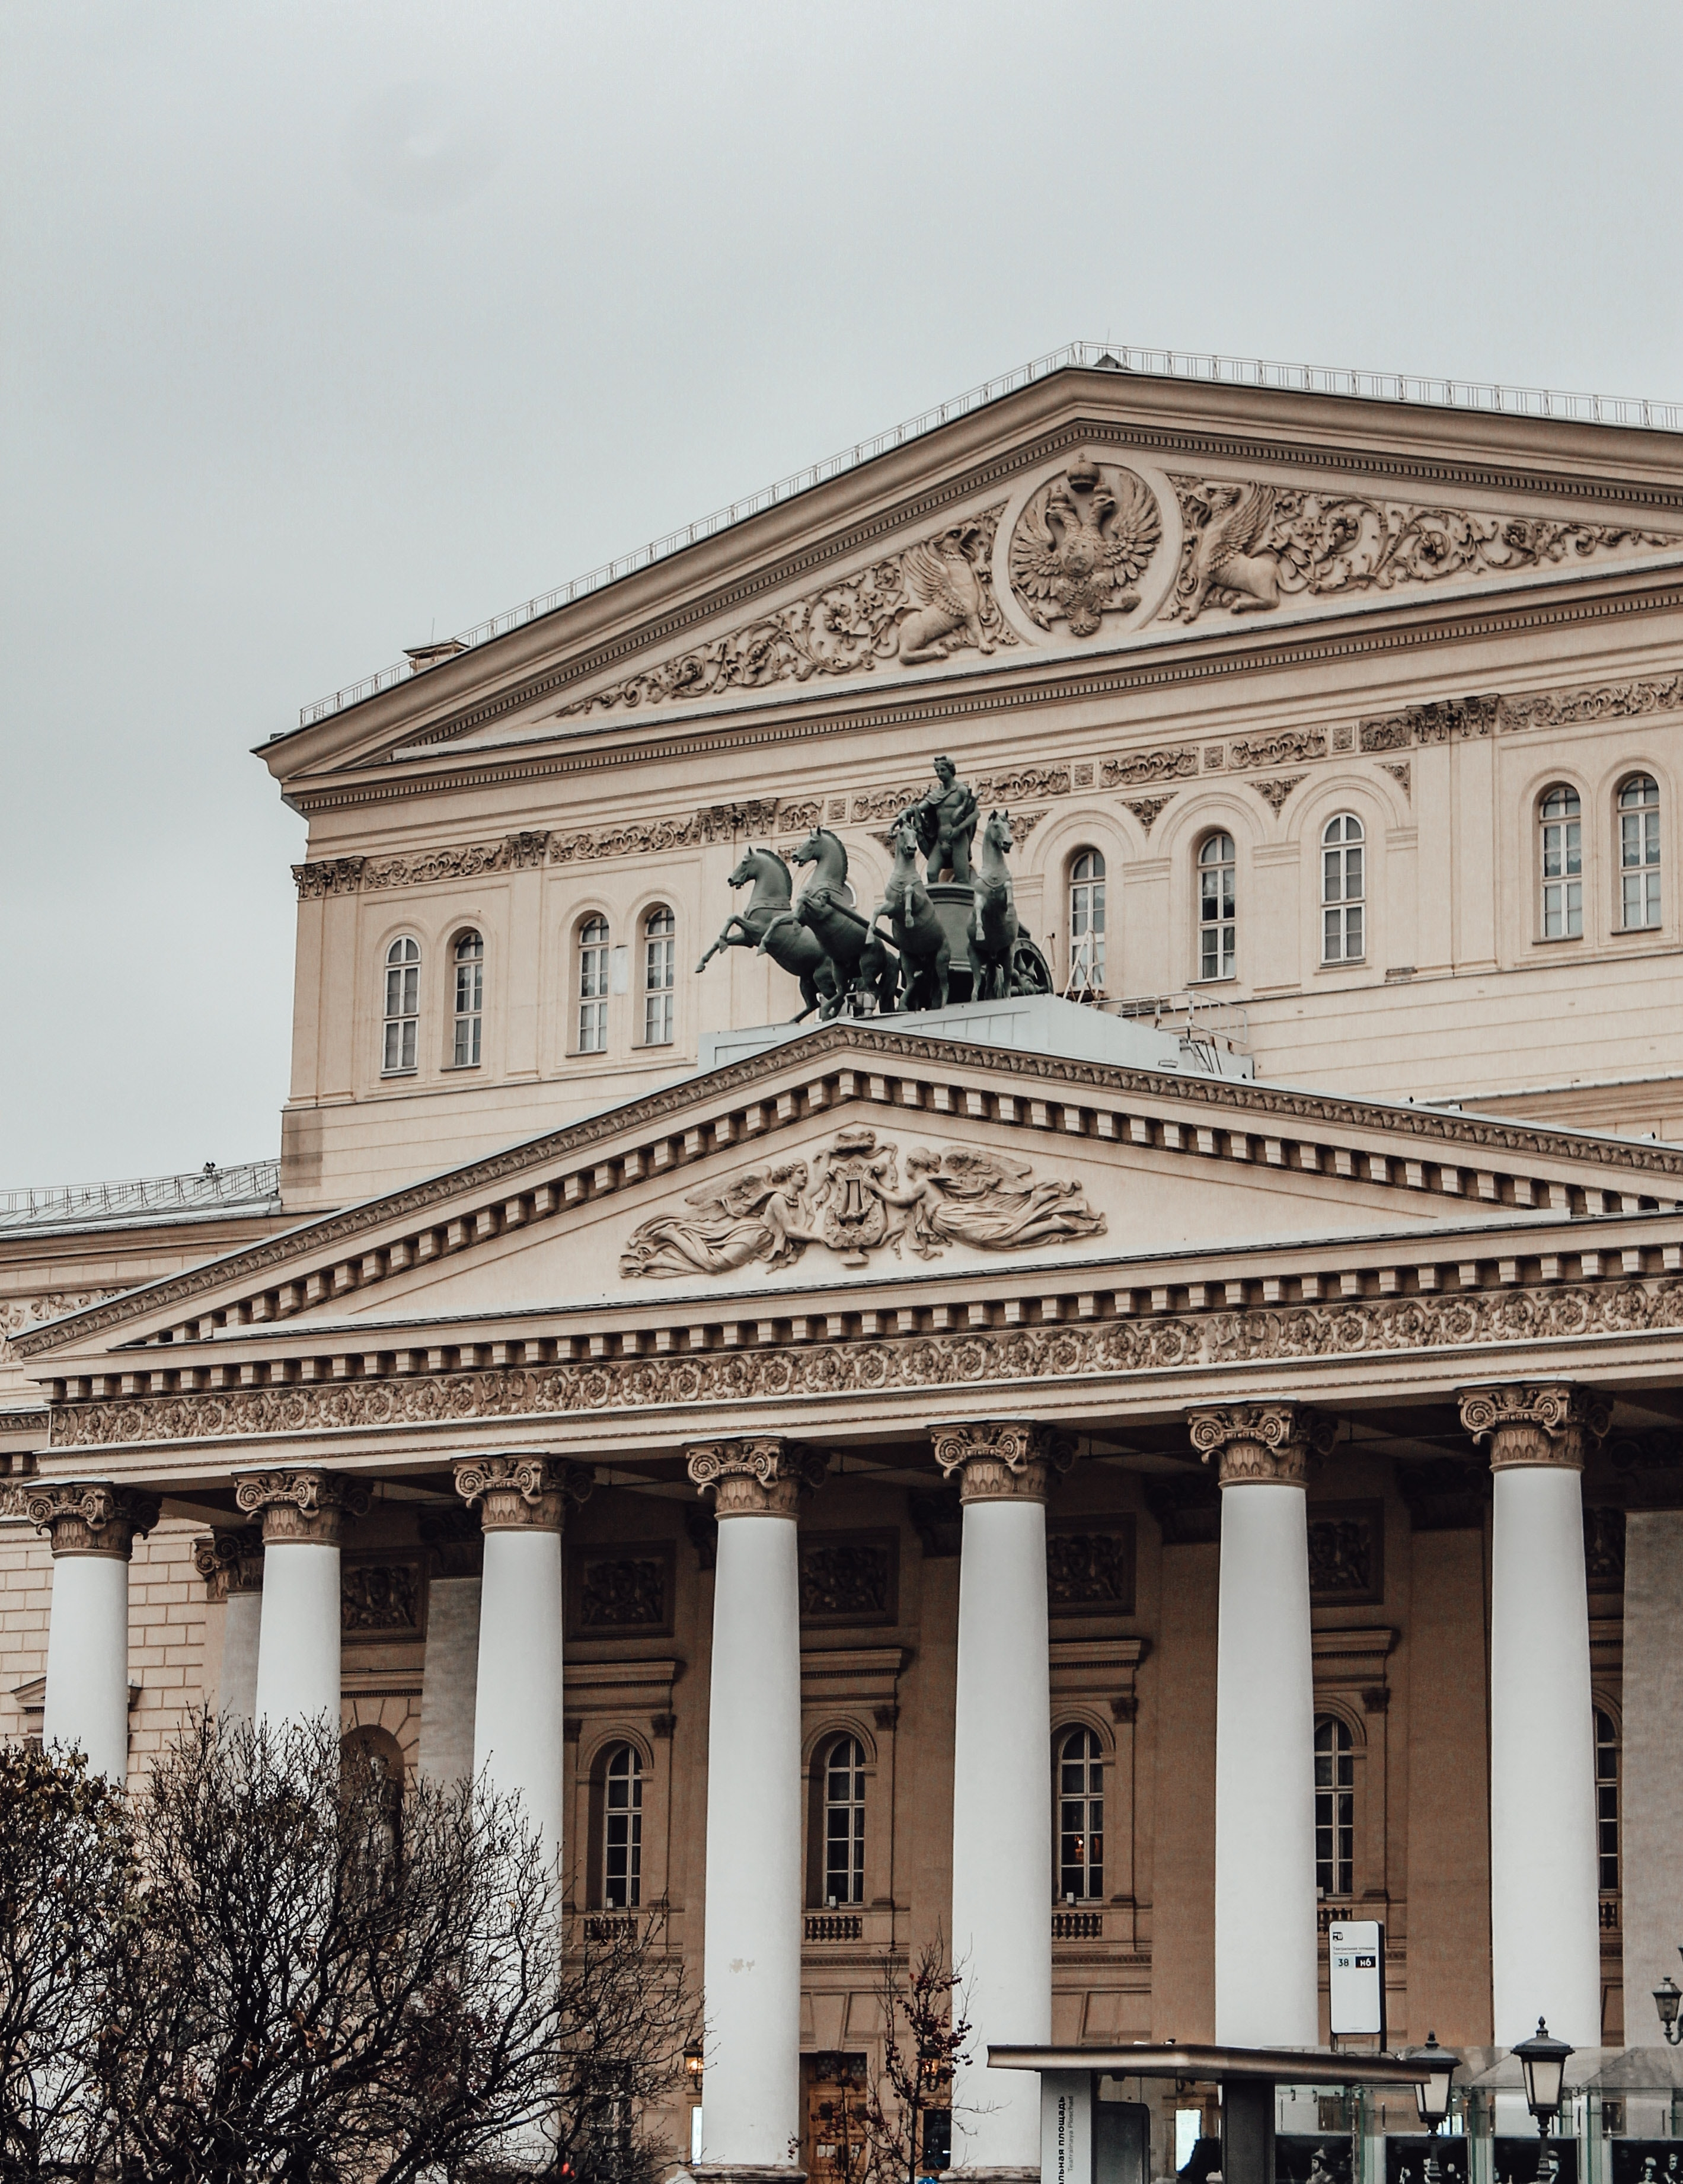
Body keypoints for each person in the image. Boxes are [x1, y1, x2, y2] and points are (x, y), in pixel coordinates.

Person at [900, 755, 979, 884]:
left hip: (958, 840)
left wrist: (959, 829)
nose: (940, 774)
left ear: (951, 770)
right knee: (931, 873)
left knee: (962, 878)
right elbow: (920, 808)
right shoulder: (936, 794)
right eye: (938, 771)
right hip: (941, 839)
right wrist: (907, 812)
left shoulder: (961, 790)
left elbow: (976, 814)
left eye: (943, 770)